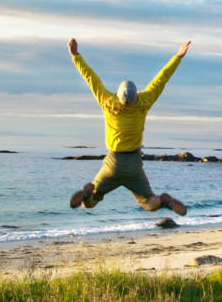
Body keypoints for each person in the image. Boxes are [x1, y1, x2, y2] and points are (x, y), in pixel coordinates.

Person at [67, 37, 190, 215]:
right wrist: (178, 56)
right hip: (134, 164)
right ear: (136, 94)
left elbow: (90, 78)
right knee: (148, 201)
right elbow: (162, 78)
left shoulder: (107, 102)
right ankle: (164, 203)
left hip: (112, 162)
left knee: (91, 202)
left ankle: (87, 195)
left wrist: (75, 55)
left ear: (117, 94)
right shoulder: (144, 101)